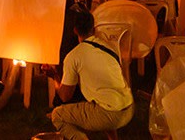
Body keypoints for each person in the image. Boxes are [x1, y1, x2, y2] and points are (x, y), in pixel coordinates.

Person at [51, 8, 135, 140]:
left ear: (75, 30)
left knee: (57, 115)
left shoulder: (74, 56)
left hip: (110, 113)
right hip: (128, 108)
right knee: (103, 102)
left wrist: (54, 76)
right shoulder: (108, 48)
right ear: (94, 28)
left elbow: (65, 97)